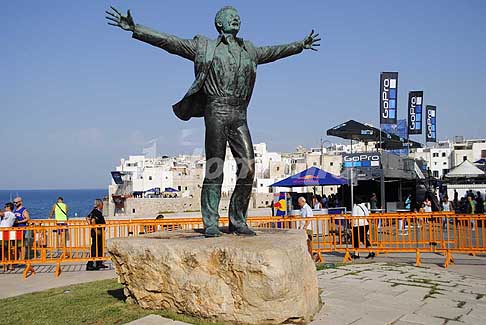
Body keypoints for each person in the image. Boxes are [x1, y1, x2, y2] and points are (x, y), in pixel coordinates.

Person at [105, 6, 320, 237]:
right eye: (230, 16)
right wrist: (137, 29)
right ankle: (211, 221)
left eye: (238, 15)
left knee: (248, 168)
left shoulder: (249, 50)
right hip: (216, 110)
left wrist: (300, 45)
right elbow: (170, 43)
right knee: (215, 167)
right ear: (219, 23)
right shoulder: (204, 47)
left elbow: (275, 51)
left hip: (239, 114)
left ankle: (238, 220)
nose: (236, 18)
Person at [86, 199, 108, 271]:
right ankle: (90, 264)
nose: (103, 205)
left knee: (99, 247)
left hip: (99, 232)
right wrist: (95, 229)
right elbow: (92, 220)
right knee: (95, 248)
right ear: (99, 205)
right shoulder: (96, 212)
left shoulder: (96, 211)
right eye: (102, 204)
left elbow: (87, 218)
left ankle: (99, 263)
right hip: (96, 233)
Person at [297, 197, 318, 262]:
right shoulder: (302, 209)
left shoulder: (307, 208)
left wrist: (305, 226)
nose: (299, 204)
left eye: (299, 203)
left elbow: (309, 218)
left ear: (303, 202)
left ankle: (311, 257)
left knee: (309, 243)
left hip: (307, 228)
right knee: (304, 243)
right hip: (303, 228)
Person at [1, 203, 17, 271]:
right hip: (8, 234)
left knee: (3, 250)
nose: (4, 208)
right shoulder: (13, 215)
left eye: (5, 207)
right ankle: (10, 265)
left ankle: (5, 266)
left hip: (3, 234)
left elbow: (2, 214)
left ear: (9, 207)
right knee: (8, 250)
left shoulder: (8, 213)